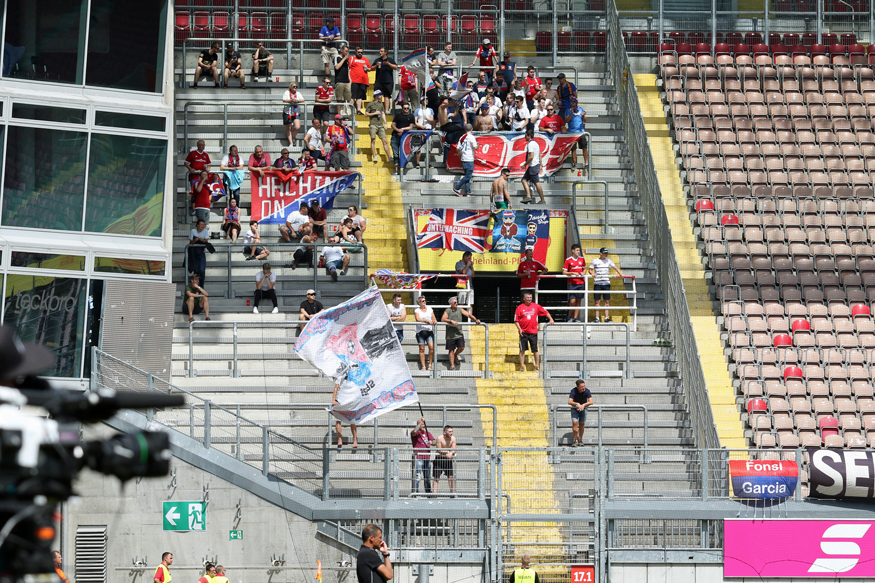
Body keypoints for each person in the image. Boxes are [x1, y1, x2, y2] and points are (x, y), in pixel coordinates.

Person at [515, 291, 553, 371]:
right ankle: (522, 366)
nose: (529, 299)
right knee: (522, 349)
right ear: (524, 298)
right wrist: (520, 329)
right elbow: (516, 320)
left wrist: (551, 319)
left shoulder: (536, 306)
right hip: (524, 332)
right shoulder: (520, 307)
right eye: (528, 298)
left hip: (533, 332)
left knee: (535, 350)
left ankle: (536, 365)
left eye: (530, 298)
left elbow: (545, 312)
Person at [441, 296, 480, 371]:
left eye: (457, 302)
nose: (457, 304)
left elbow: (468, 314)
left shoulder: (460, 309)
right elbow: (443, 319)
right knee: (451, 349)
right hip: (450, 334)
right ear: (451, 304)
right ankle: (452, 365)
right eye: (455, 302)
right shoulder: (447, 311)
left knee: (461, 347)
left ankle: (455, 356)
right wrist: (451, 321)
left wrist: (475, 319)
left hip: (459, 332)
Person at [589, 247, 625, 323]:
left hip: (606, 283)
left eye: (607, 253)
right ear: (600, 253)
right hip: (597, 283)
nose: (606, 254)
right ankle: (597, 318)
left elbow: (616, 268)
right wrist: (592, 273)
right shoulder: (595, 261)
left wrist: (621, 273)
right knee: (597, 301)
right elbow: (590, 270)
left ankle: (606, 318)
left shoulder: (609, 261)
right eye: (605, 253)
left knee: (607, 301)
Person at [563, 244, 587, 322]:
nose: (578, 252)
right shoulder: (568, 260)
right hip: (572, 283)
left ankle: (575, 318)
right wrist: (572, 273)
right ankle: (572, 316)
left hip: (581, 282)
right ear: (573, 251)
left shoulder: (582, 259)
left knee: (579, 300)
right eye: (577, 250)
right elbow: (564, 272)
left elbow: (584, 269)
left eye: (579, 250)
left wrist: (583, 272)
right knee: (572, 301)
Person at [453, 124, 479, 197]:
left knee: (467, 176)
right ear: (472, 129)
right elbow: (475, 147)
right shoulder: (471, 137)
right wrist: (478, 144)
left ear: (465, 129)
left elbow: (458, 148)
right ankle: (456, 188)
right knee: (468, 175)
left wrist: (460, 156)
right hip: (469, 158)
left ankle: (468, 192)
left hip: (463, 158)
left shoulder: (462, 137)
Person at [391, 101, 416, 176]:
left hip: (405, 137)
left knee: (404, 154)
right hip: (395, 136)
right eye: (405, 108)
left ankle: (402, 169)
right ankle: (396, 170)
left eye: (407, 108)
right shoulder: (398, 116)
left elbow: (411, 127)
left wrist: (402, 129)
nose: (406, 109)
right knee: (395, 154)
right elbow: (392, 125)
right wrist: (398, 130)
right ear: (402, 108)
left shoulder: (411, 116)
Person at [410, 417, 435, 493]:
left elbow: (434, 442)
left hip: (427, 458)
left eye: (424, 424)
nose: (423, 425)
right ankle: (415, 492)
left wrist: (432, 442)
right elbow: (414, 431)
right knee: (417, 477)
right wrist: (421, 421)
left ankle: (428, 493)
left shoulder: (428, 433)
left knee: (427, 477)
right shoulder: (415, 433)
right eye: (421, 424)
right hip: (419, 458)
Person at [520, 130, 545, 204]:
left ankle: (542, 200)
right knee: (524, 180)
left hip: (533, 165)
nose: (525, 137)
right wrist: (540, 165)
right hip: (534, 165)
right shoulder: (536, 144)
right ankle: (528, 196)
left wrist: (525, 164)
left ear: (529, 136)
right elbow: (540, 155)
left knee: (536, 183)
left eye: (525, 136)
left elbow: (531, 157)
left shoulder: (530, 144)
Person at [365, 90, 390, 164]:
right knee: (373, 140)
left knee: (385, 141)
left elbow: (382, 113)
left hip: (380, 124)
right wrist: (374, 113)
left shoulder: (381, 104)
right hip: (373, 124)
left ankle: (389, 156)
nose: (381, 96)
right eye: (380, 95)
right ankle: (374, 156)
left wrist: (385, 123)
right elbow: (366, 114)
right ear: (376, 95)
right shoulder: (370, 104)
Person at [332, 381, 359, 449]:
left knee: (352, 420)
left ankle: (355, 439)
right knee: (338, 419)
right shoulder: (340, 376)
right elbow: (336, 388)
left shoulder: (352, 377)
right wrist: (333, 400)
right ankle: (339, 438)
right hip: (340, 400)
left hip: (349, 400)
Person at [568, 379, 593, 447]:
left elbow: (591, 401)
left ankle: (580, 439)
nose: (583, 388)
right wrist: (577, 404)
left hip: (583, 409)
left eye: (584, 386)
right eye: (581, 386)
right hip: (575, 409)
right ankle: (575, 440)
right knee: (575, 423)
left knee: (582, 424)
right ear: (578, 387)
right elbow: (570, 401)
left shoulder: (587, 391)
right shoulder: (573, 391)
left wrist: (583, 405)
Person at [414, 296, 437, 371]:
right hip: (420, 331)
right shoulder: (417, 310)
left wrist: (434, 320)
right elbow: (418, 319)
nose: (424, 302)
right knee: (422, 349)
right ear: (419, 303)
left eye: (425, 300)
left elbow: (433, 317)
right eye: (423, 301)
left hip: (429, 331)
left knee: (431, 347)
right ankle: (423, 366)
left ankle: (430, 365)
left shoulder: (429, 308)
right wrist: (427, 320)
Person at [433, 425, 457, 494]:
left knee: (450, 476)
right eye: (449, 431)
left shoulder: (453, 438)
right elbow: (439, 449)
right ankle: (435, 493)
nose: (451, 433)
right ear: (445, 432)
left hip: (448, 460)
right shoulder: (440, 438)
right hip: (439, 459)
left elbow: (454, 449)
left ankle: (452, 493)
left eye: (452, 431)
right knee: (436, 477)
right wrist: (447, 452)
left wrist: (451, 452)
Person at [565, 99, 588, 171]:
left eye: (573, 102)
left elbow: (585, 120)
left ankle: (586, 163)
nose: (572, 103)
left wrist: (584, 116)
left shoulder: (581, 109)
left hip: (581, 132)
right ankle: (575, 164)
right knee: (573, 149)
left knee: (584, 147)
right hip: (572, 133)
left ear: (576, 102)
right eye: (571, 102)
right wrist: (571, 113)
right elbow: (567, 120)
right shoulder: (568, 110)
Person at [413, 98, 435, 168]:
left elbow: (432, 120)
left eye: (427, 100)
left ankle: (428, 163)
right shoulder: (417, 110)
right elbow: (415, 122)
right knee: (418, 148)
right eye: (425, 100)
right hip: (420, 130)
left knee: (428, 148)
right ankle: (417, 163)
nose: (427, 101)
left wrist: (427, 118)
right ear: (422, 101)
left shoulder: (430, 110)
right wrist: (421, 126)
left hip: (428, 130)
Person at [349, 46, 371, 114]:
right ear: (356, 52)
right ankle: (351, 110)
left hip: (363, 81)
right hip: (354, 80)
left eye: (361, 52)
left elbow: (370, 68)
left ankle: (358, 110)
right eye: (358, 52)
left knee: (360, 97)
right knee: (352, 96)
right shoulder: (351, 58)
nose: (360, 53)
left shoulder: (365, 59)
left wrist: (367, 69)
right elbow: (348, 68)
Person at [188, 218, 209, 283]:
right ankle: (195, 284)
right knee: (195, 270)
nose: (202, 226)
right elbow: (190, 242)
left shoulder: (205, 231)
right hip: (194, 253)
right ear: (197, 225)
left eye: (203, 224)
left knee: (202, 270)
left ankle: (202, 284)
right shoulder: (193, 231)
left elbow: (206, 240)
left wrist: (202, 240)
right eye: (201, 224)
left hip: (201, 252)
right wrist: (195, 240)